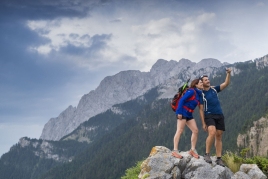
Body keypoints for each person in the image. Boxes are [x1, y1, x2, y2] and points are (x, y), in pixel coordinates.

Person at [200, 68, 231, 167]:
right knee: (212, 132)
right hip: (209, 115)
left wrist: (228, 74)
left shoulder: (214, 89)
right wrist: (203, 123)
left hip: (219, 114)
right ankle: (207, 154)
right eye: (205, 80)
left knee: (219, 135)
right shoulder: (201, 94)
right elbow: (200, 109)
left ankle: (218, 158)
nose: (208, 81)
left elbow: (226, 84)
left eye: (208, 79)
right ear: (202, 83)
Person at [172, 79, 204, 159]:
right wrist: (179, 112)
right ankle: (175, 151)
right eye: (200, 83)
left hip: (189, 114)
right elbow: (182, 100)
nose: (202, 84)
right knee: (179, 130)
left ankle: (192, 150)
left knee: (195, 130)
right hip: (182, 112)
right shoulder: (191, 91)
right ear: (196, 84)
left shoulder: (199, 94)